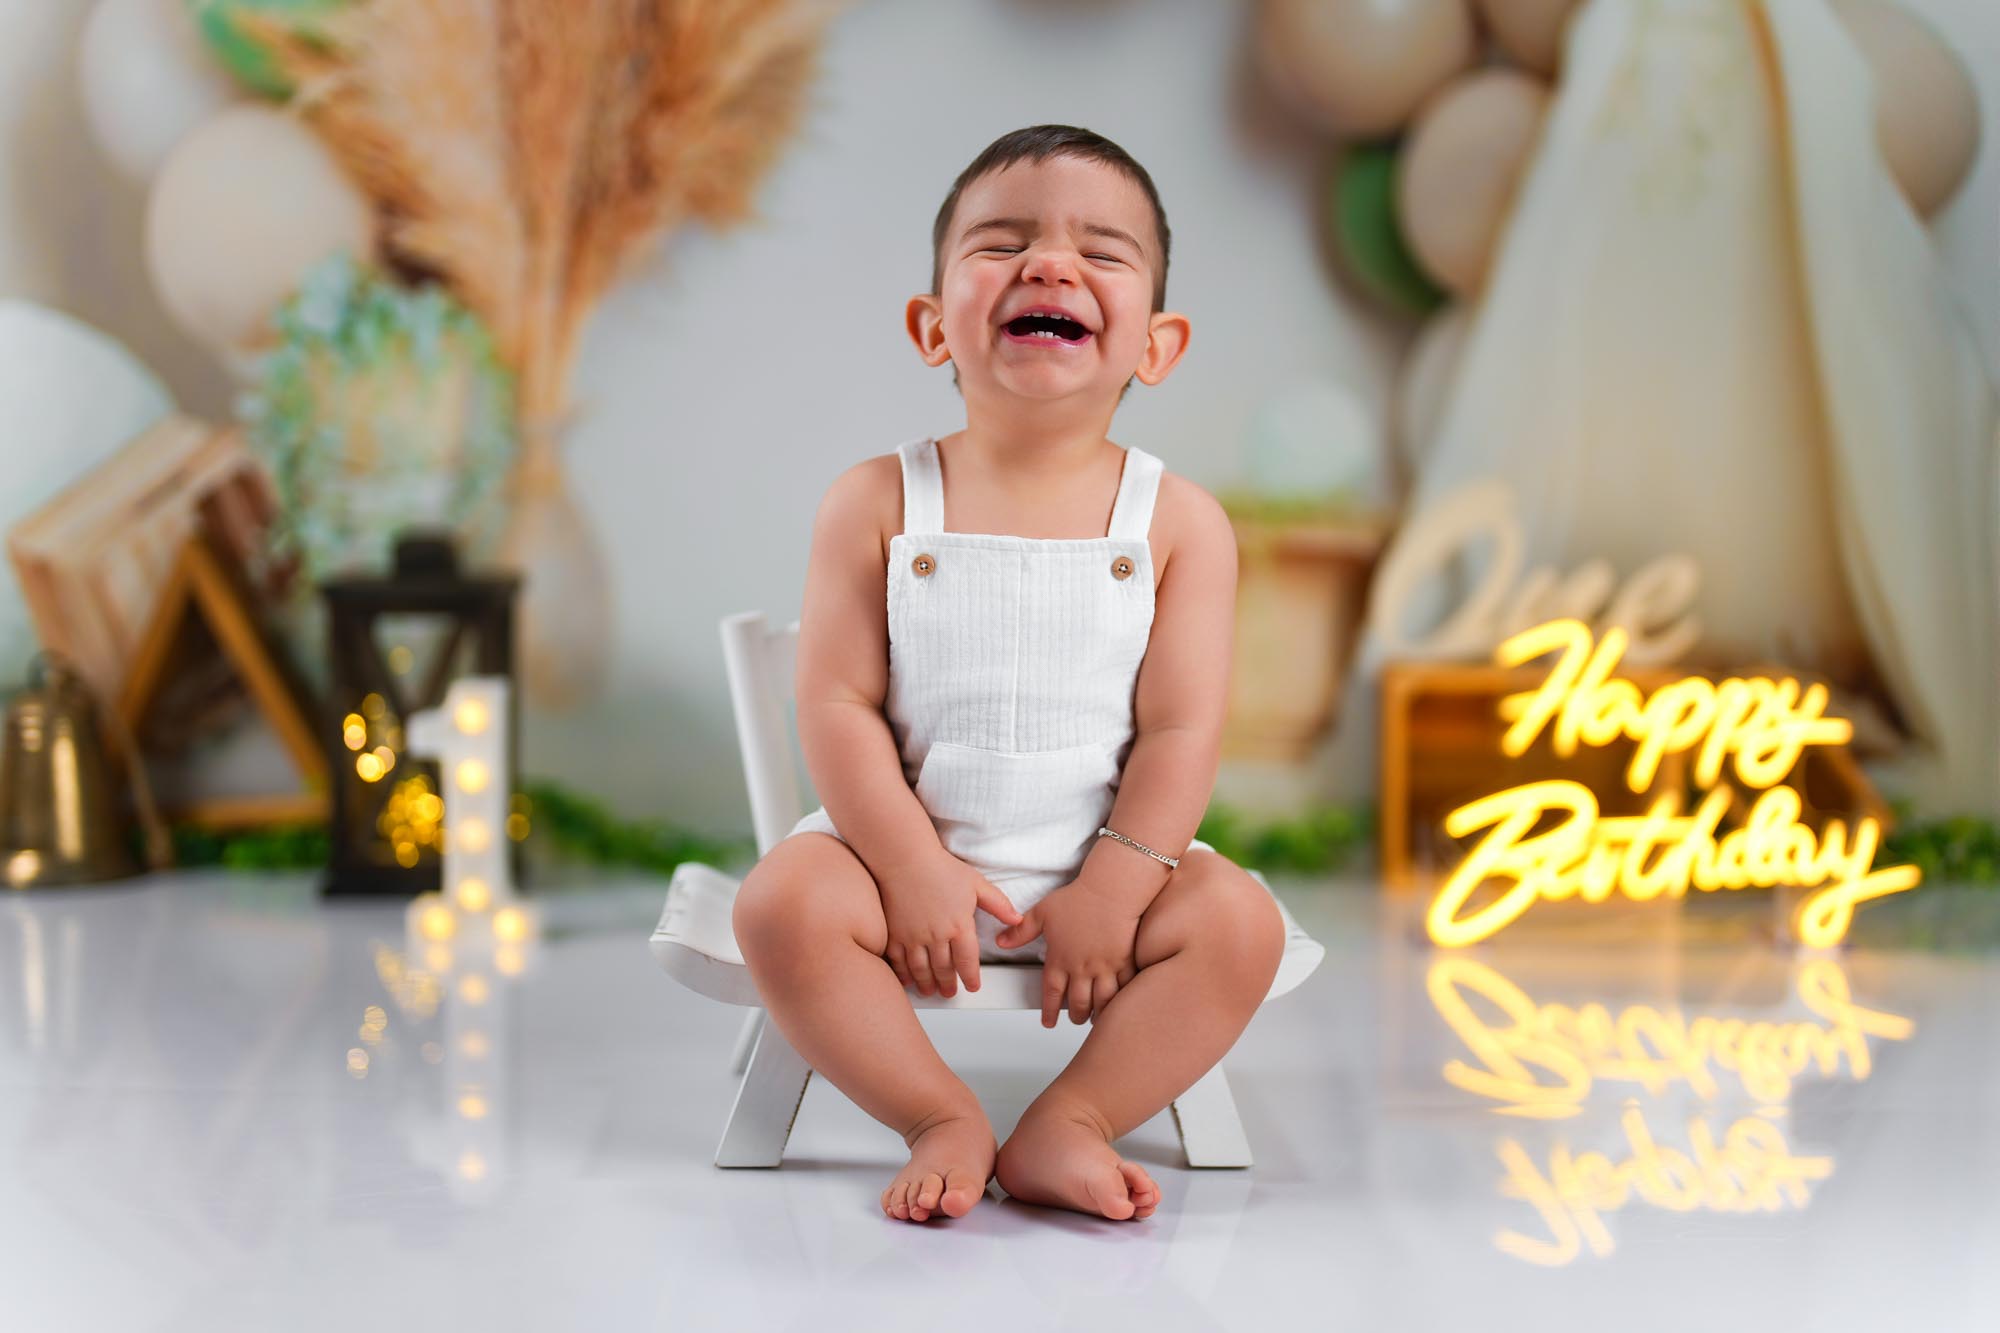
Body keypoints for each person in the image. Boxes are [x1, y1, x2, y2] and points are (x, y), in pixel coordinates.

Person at [732, 124, 1285, 1225]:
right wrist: (906, 864)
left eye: (1101, 250)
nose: (1047, 264)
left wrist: (1120, 885)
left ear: (1156, 344)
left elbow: (1178, 731)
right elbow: (835, 703)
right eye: (1002, 244)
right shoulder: (877, 499)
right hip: (899, 863)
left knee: (1238, 927)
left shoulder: (1177, 523)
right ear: (932, 326)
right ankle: (935, 1111)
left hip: (1106, 869)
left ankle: (1071, 1119)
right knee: (781, 906)